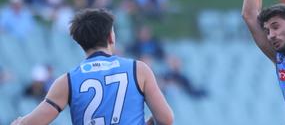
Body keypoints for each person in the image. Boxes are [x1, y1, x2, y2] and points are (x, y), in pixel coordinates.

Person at [11, 8, 173, 125]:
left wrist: (20, 122)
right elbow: (166, 120)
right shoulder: (138, 70)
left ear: (80, 42)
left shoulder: (66, 81)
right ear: (111, 36)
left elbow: (34, 122)